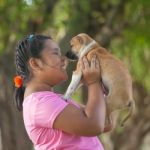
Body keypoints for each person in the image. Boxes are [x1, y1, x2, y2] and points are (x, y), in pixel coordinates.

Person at [14, 34, 112, 150]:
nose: (63, 59)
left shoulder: (53, 100)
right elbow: (94, 125)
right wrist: (93, 82)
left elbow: (104, 123)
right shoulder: (40, 104)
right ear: (35, 64)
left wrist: (101, 85)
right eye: (56, 53)